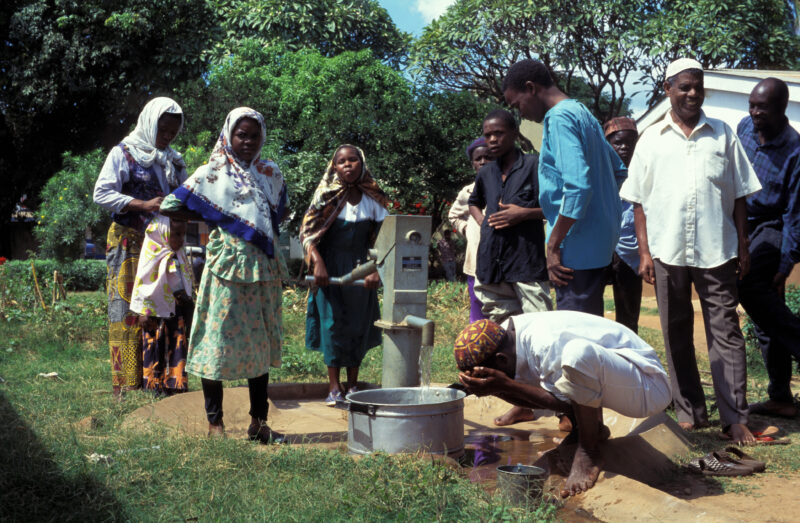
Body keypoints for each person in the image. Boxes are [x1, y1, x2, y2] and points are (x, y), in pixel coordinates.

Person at [620, 58, 762, 444]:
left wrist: (743, 244)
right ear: (667, 89)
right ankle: (690, 411)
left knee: (726, 331)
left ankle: (734, 417)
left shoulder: (722, 134)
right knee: (675, 329)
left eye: (698, 86)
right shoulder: (651, 138)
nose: (693, 93)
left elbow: (739, 196)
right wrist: (645, 253)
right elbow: (637, 201)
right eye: (684, 87)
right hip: (667, 251)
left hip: (718, 249)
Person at [160, 107, 288, 443]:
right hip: (226, 266)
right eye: (241, 134)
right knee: (216, 341)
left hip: (262, 268)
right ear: (229, 135)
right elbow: (170, 205)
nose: (247, 141)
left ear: (262, 137)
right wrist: (214, 215)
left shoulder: (270, 172)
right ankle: (215, 423)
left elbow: (279, 213)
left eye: (254, 135)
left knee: (258, 344)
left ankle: (258, 422)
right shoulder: (212, 172)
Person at [454, 313, 671, 497]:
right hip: (618, 375)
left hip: (648, 387)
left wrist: (505, 386)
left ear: (501, 360)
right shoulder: (504, 336)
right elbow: (552, 396)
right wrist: (498, 388)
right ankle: (589, 429)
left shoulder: (544, 343)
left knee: (577, 356)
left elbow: (565, 402)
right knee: (559, 372)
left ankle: (589, 449)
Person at [502, 59, 625, 316]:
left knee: (576, 334)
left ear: (530, 87)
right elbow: (618, 170)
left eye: (517, 104)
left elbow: (578, 187)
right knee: (589, 324)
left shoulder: (558, 118)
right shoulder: (582, 112)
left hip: (574, 247)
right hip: (597, 244)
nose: (520, 114)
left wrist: (554, 245)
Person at [93, 97, 188, 397]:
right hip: (128, 242)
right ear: (149, 123)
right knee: (127, 311)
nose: (168, 136)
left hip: (163, 245)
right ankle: (126, 385)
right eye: (163, 129)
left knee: (166, 308)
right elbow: (102, 193)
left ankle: (160, 382)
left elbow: (185, 197)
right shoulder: (124, 153)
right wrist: (143, 204)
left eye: (174, 130)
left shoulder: (174, 160)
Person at [300, 145, 389, 405]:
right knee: (332, 326)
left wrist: (375, 269)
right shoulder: (325, 197)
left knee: (357, 325)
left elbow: (386, 238)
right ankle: (333, 387)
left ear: (362, 164)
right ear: (334, 167)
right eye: (342, 161)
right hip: (329, 269)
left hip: (362, 266)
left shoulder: (374, 198)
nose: (348, 165)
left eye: (353, 160)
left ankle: (353, 385)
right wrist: (317, 263)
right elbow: (307, 234)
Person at [737, 78, 800, 418]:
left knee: (750, 285)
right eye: (752, 105)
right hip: (737, 220)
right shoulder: (744, 127)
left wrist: (785, 264)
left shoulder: (795, 150)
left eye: (763, 107)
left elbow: (795, 213)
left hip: (771, 225)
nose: (755, 112)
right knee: (764, 316)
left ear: (781, 108)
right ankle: (780, 396)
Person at [467, 109, 551, 324]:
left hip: (526, 266)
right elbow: (474, 202)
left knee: (539, 329)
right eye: (488, 135)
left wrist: (524, 214)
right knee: (503, 334)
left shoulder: (534, 165)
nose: (493, 139)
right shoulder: (486, 173)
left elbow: (557, 207)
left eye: (499, 133)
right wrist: (482, 221)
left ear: (515, 133)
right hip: (492, 268)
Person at [129, 216, 194, 395]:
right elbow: (143, 284)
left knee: (177, 349)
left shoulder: (179, 255)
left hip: (177, 311)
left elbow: (184, 283)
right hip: (153, 313)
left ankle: (176, 386)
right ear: (163, 233)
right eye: (176, 234)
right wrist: (144, 312)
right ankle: (153, 387)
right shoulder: (151, 254)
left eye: (183, 235)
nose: (181, 240)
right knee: (154, 347)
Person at [602, 117, 642, 333]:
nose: (625, 147)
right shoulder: (599, 172)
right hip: (601, 247)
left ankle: (629, 358)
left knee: (628, 313)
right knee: (592, 311)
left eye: (630, 142)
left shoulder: (642, 171)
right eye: (618, 142)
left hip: (631, 251)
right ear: (607, 143)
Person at [448, 137, 492, 322]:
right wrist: (468, 230)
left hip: (503, 266)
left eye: (488, 157)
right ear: (472, 163)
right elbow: (453, 216)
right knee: (478, 316)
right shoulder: (467, 192)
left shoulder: (509, 188)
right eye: (478, 159)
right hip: (475, 264)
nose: (483, 162)